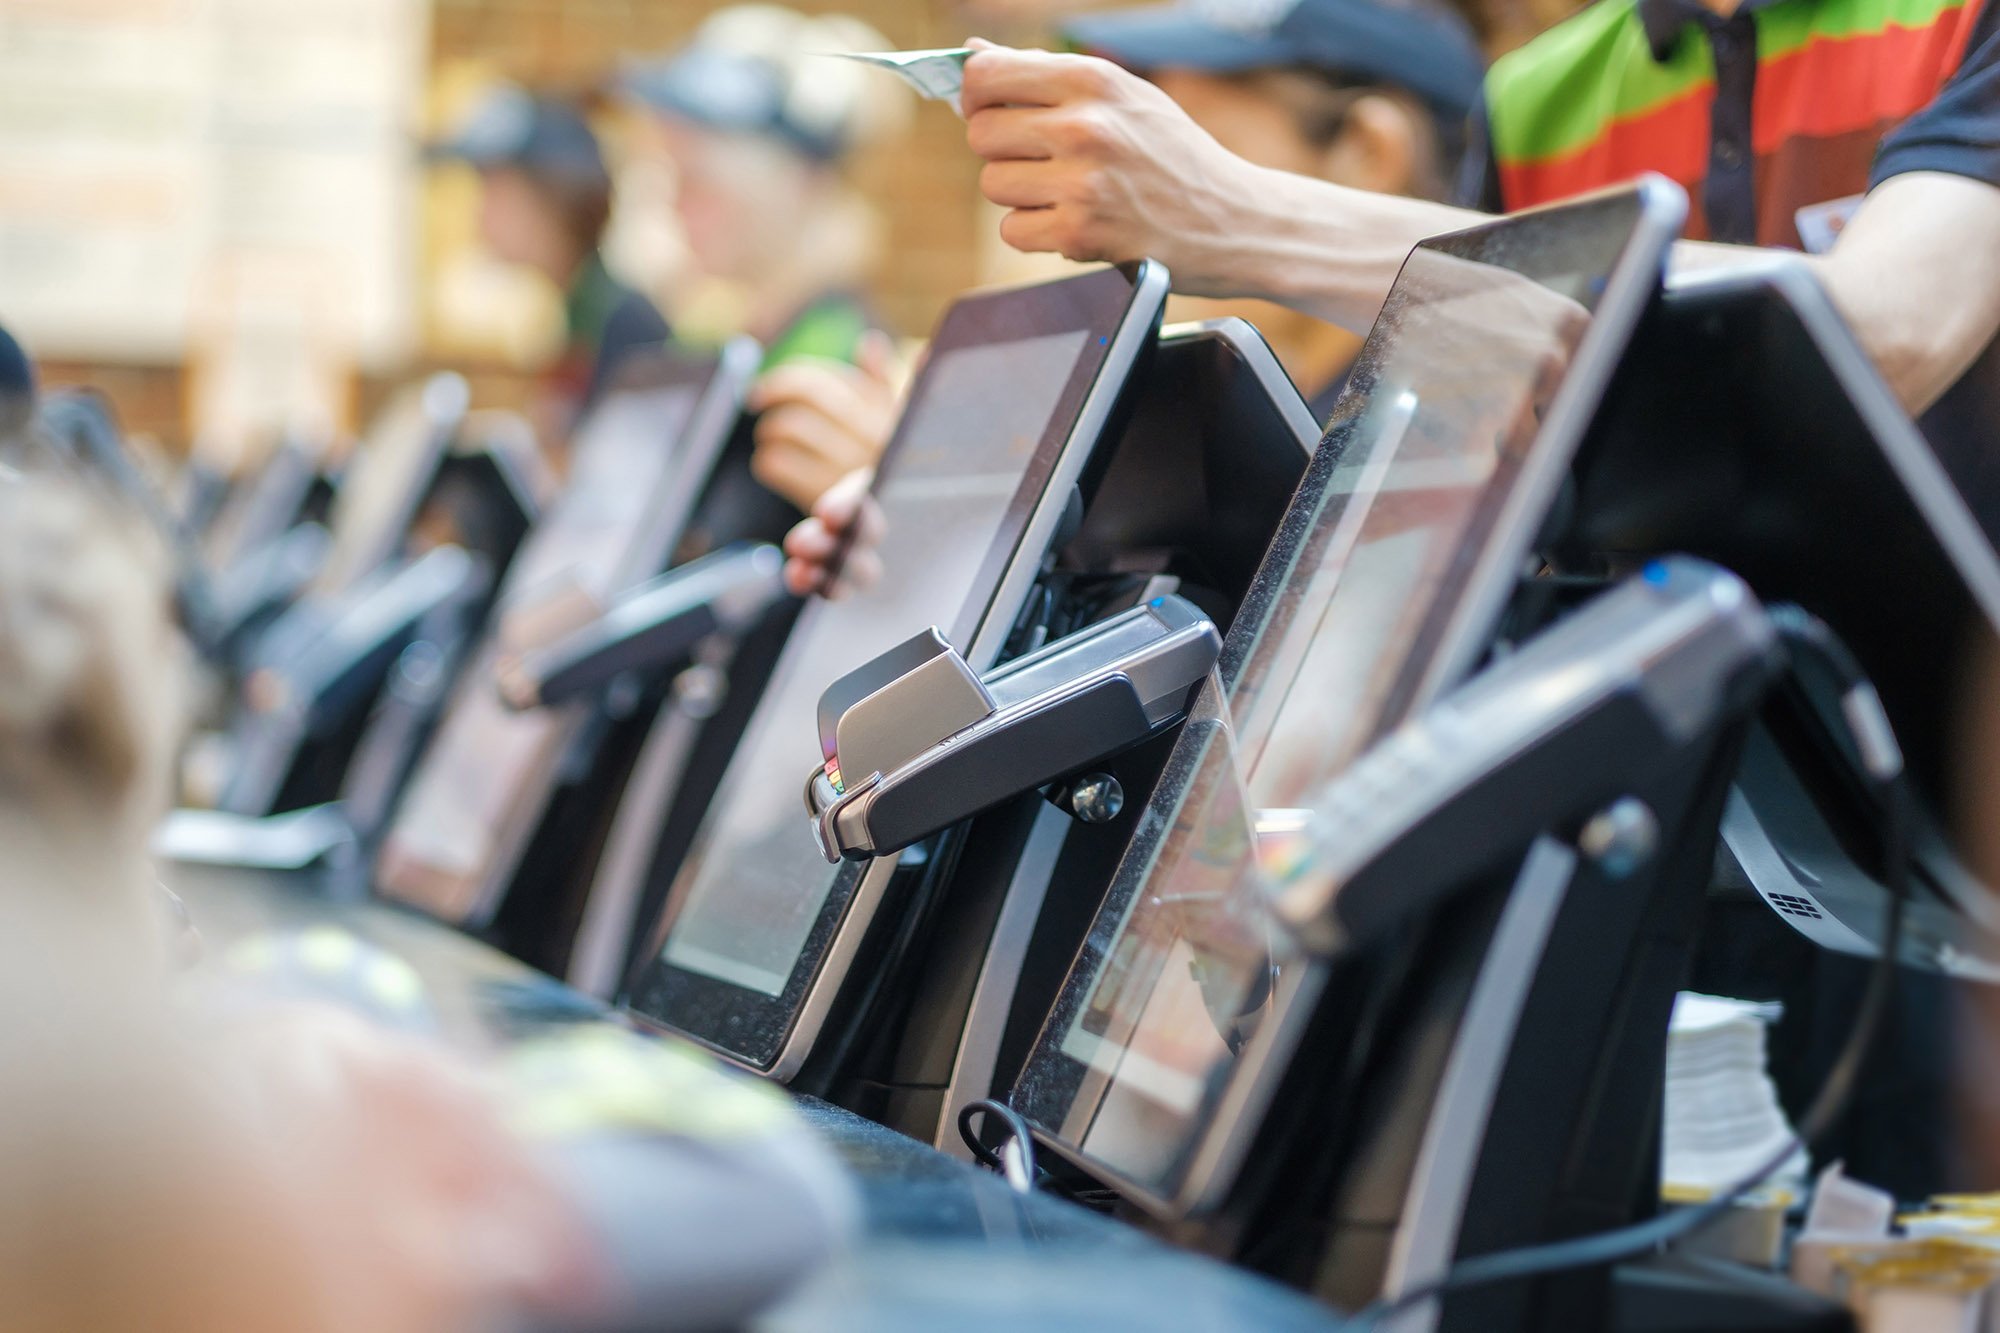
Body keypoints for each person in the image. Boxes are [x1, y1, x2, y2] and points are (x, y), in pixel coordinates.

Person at [952, 4, 2000, 534]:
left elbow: (1876, 332)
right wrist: (969, 515)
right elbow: (1465, 505)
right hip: (1673, 820)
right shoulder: (1535, 97)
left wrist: (1234, 211)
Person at [1063, 0, 1486, 416]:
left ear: (1367, 154)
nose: (1139, 199)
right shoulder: (1283, 426)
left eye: (1192, 157)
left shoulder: (1448, 446)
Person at [623, 5, 913, 514]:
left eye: (698, 181)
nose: (675, 205)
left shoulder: (830, 363)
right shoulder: (749, 336)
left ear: (797, 184)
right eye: (672, 178)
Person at [431, 86, 672, 450]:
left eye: (496, 192)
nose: (480, 215)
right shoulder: (577, 313)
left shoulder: (626, 326)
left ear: (556, 197)